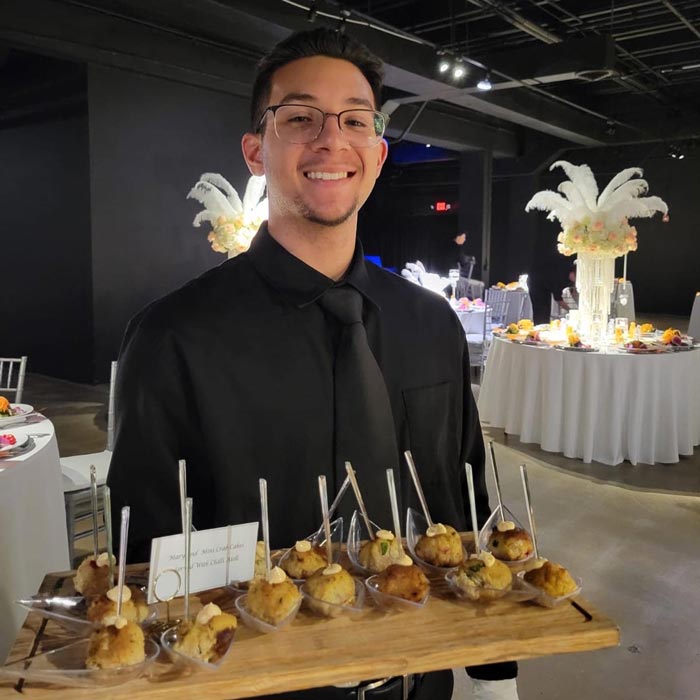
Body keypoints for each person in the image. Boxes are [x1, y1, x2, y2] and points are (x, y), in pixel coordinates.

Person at [107, 28, 518, 700]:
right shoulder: (172, 337)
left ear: (378, 154)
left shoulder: (430, 323)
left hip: (421, 677)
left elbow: (463, 496)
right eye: (299, 118)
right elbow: (147, 553)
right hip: (255, 686)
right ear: (255, 151)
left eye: (355, 120)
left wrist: (495, 674)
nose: (332, 140)